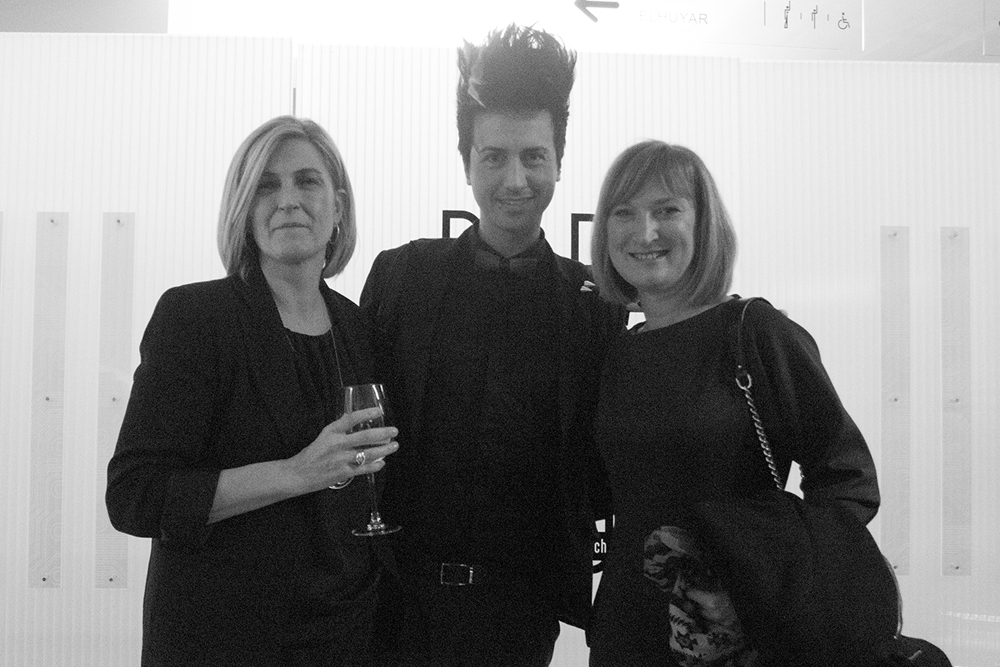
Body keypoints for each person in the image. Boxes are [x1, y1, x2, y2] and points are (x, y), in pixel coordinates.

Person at [360, 24, 625, 666]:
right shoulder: (402, 277)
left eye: (534, 157)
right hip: (395, 600)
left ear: (559, 162)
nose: (515, 179)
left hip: (523, 613)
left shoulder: (594, 305)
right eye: (494, 157)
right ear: (466, 163)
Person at [106, 116, 399, 666]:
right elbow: (135, 497)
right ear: (244, 208)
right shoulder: (195, 318)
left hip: (347, 636)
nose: (288, 200)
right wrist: (297, 473)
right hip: (225, 639)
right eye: (267, 186)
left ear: (338, 206)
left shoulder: (359, 329)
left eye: (307, 181)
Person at [586, 140, 881, 665]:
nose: (645, 232)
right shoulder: (619, 353)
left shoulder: (754, 333)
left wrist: (771, 585)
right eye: (624, 212)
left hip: (739, 630)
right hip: (628, 628)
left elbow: (847, 479)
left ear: (704, 225)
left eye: (667, 210)